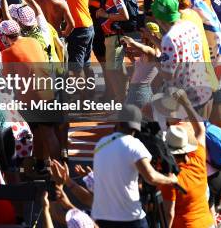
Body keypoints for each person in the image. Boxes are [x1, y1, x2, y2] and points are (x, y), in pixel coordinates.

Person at [91, 105, 178, 227]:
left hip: (102, 217)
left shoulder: (100, 144)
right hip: (129, 218)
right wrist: (170, 179)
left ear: (119, 123)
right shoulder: (134, 144)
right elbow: (151, 177)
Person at [160, 89, 214, 228]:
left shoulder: (170, 178)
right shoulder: (198, 158)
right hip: (206, 223)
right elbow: (200, 130)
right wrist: (186, 103)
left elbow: (169, 213)